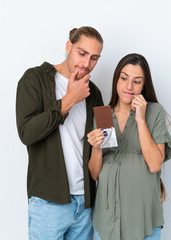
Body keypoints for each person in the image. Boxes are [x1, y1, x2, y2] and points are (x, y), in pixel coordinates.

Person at [16, 26, 104, 240]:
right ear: (68, 46)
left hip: (86, 203)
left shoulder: (95, 93)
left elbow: (107, 138)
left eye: (94, 58)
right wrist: (70, 99)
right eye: (81, 53)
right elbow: (26, 133)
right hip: (48, 202)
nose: (86, 63)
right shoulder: (33, 78)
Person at [87, 53, 171, 240]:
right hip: (107, 219)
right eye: (124, 78)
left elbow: (154, 164)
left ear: (144, 85)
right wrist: (96, 148)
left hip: (143, 220)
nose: (129, 86)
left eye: (137, 81)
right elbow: (95, 175)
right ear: (116, 79)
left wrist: (140, 119)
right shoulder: (103, 115)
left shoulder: (154, 112)